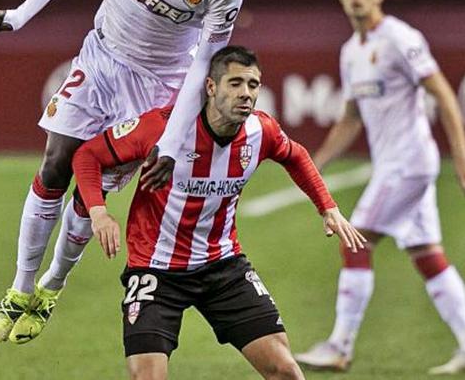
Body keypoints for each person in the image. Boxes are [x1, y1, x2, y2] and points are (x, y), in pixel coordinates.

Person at [0, 0, 272, 347]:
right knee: (54, 165)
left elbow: (201, 67)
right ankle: (20, 288)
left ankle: (52, 285)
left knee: (92, 193)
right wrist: (20, 14)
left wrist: (170, 142)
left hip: (155, 90)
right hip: (101, 59)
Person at [71, 46, 367, 380]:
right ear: (211, 87)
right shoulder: (162, 128)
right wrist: (98, 212)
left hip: (222, 267)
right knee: (147, 377)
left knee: (286, 372)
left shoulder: (261, 131)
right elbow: (87, 155)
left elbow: (295, 155)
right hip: (156, 270)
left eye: (253, 85)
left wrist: (328, 208)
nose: (246, 94)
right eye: (235, 83)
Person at [293, 0, 465, 375]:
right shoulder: (350, 52)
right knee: (426, 253)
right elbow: (350, 117)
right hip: (396, 165)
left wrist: (462, 152)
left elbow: (442, 92)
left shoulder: (401, 38)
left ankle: (339, 345)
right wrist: (314, 164)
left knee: (356, 239)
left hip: (409, 162)